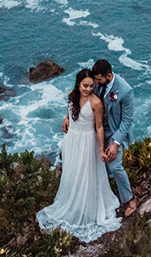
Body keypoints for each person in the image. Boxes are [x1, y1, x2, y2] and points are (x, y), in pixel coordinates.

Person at [37, 69, 121, 241]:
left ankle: (88, 210)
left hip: (87, 143)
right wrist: (66, 118)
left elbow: (99, 127)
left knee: (86, 176)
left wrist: (100, 149)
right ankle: (73, 205)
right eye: (85, 86)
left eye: (91, 86)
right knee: (72, 174)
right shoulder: (71, 95)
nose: (88, 89)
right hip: (72, 140)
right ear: (78, 84)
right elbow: (71, 110)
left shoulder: (96, 103)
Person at [63, 58, 138, 216]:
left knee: (114, 166)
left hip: (113, 130)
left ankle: (130, 199)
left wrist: (116, 144)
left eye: (97, 81)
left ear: (108, 76)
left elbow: (126, 121)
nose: (94, 85)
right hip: (93, 128)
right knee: (91, 163)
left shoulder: (125, 90)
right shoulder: (95, 81)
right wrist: (68, 117)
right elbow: (78, 95)